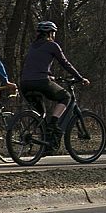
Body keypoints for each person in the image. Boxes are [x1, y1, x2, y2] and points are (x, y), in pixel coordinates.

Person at [19, 20, 89, 148]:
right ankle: (54, 123)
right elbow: (65, 64)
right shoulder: (52, 45)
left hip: (24, 84)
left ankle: (46, 144)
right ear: (50, 33)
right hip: (41, 81)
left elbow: (35, 65)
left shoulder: (33, 46)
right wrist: (80, 78)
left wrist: (49, 75)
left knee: (42, 115)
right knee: (66, 97)